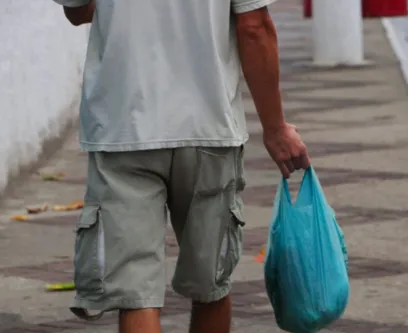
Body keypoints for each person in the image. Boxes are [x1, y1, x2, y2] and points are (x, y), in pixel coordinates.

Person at [53, 0, 310, 332]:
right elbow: (254, 27)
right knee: (210, 286)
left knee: (136, 295)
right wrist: (275, 129)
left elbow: (77, 12)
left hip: (123, 130)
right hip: (209, 128)